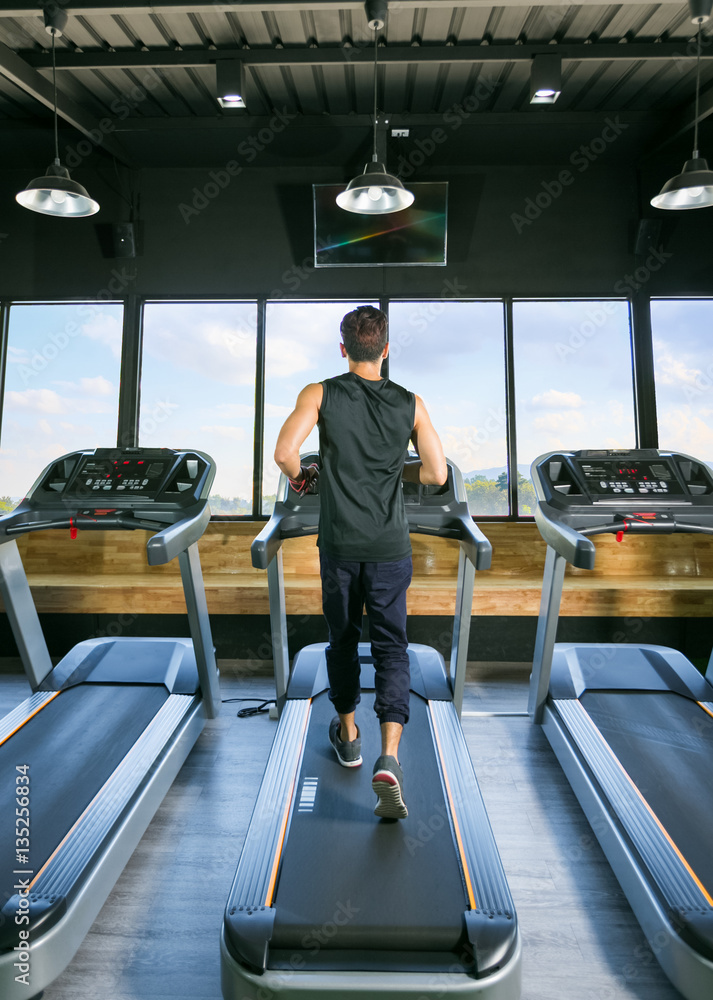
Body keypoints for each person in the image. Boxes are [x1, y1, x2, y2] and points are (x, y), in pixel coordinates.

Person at [274, 305, 447, 819]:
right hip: (390, 547)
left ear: (343, 349)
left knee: (343, 640)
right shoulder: (411, 403)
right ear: (386, 349)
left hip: (341, 548)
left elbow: (285, 453)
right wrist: (399, 476)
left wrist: (304, 478)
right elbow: (435, 473)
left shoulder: (320, 393)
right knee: (393, 648)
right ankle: (389, 755)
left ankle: (348, 736)